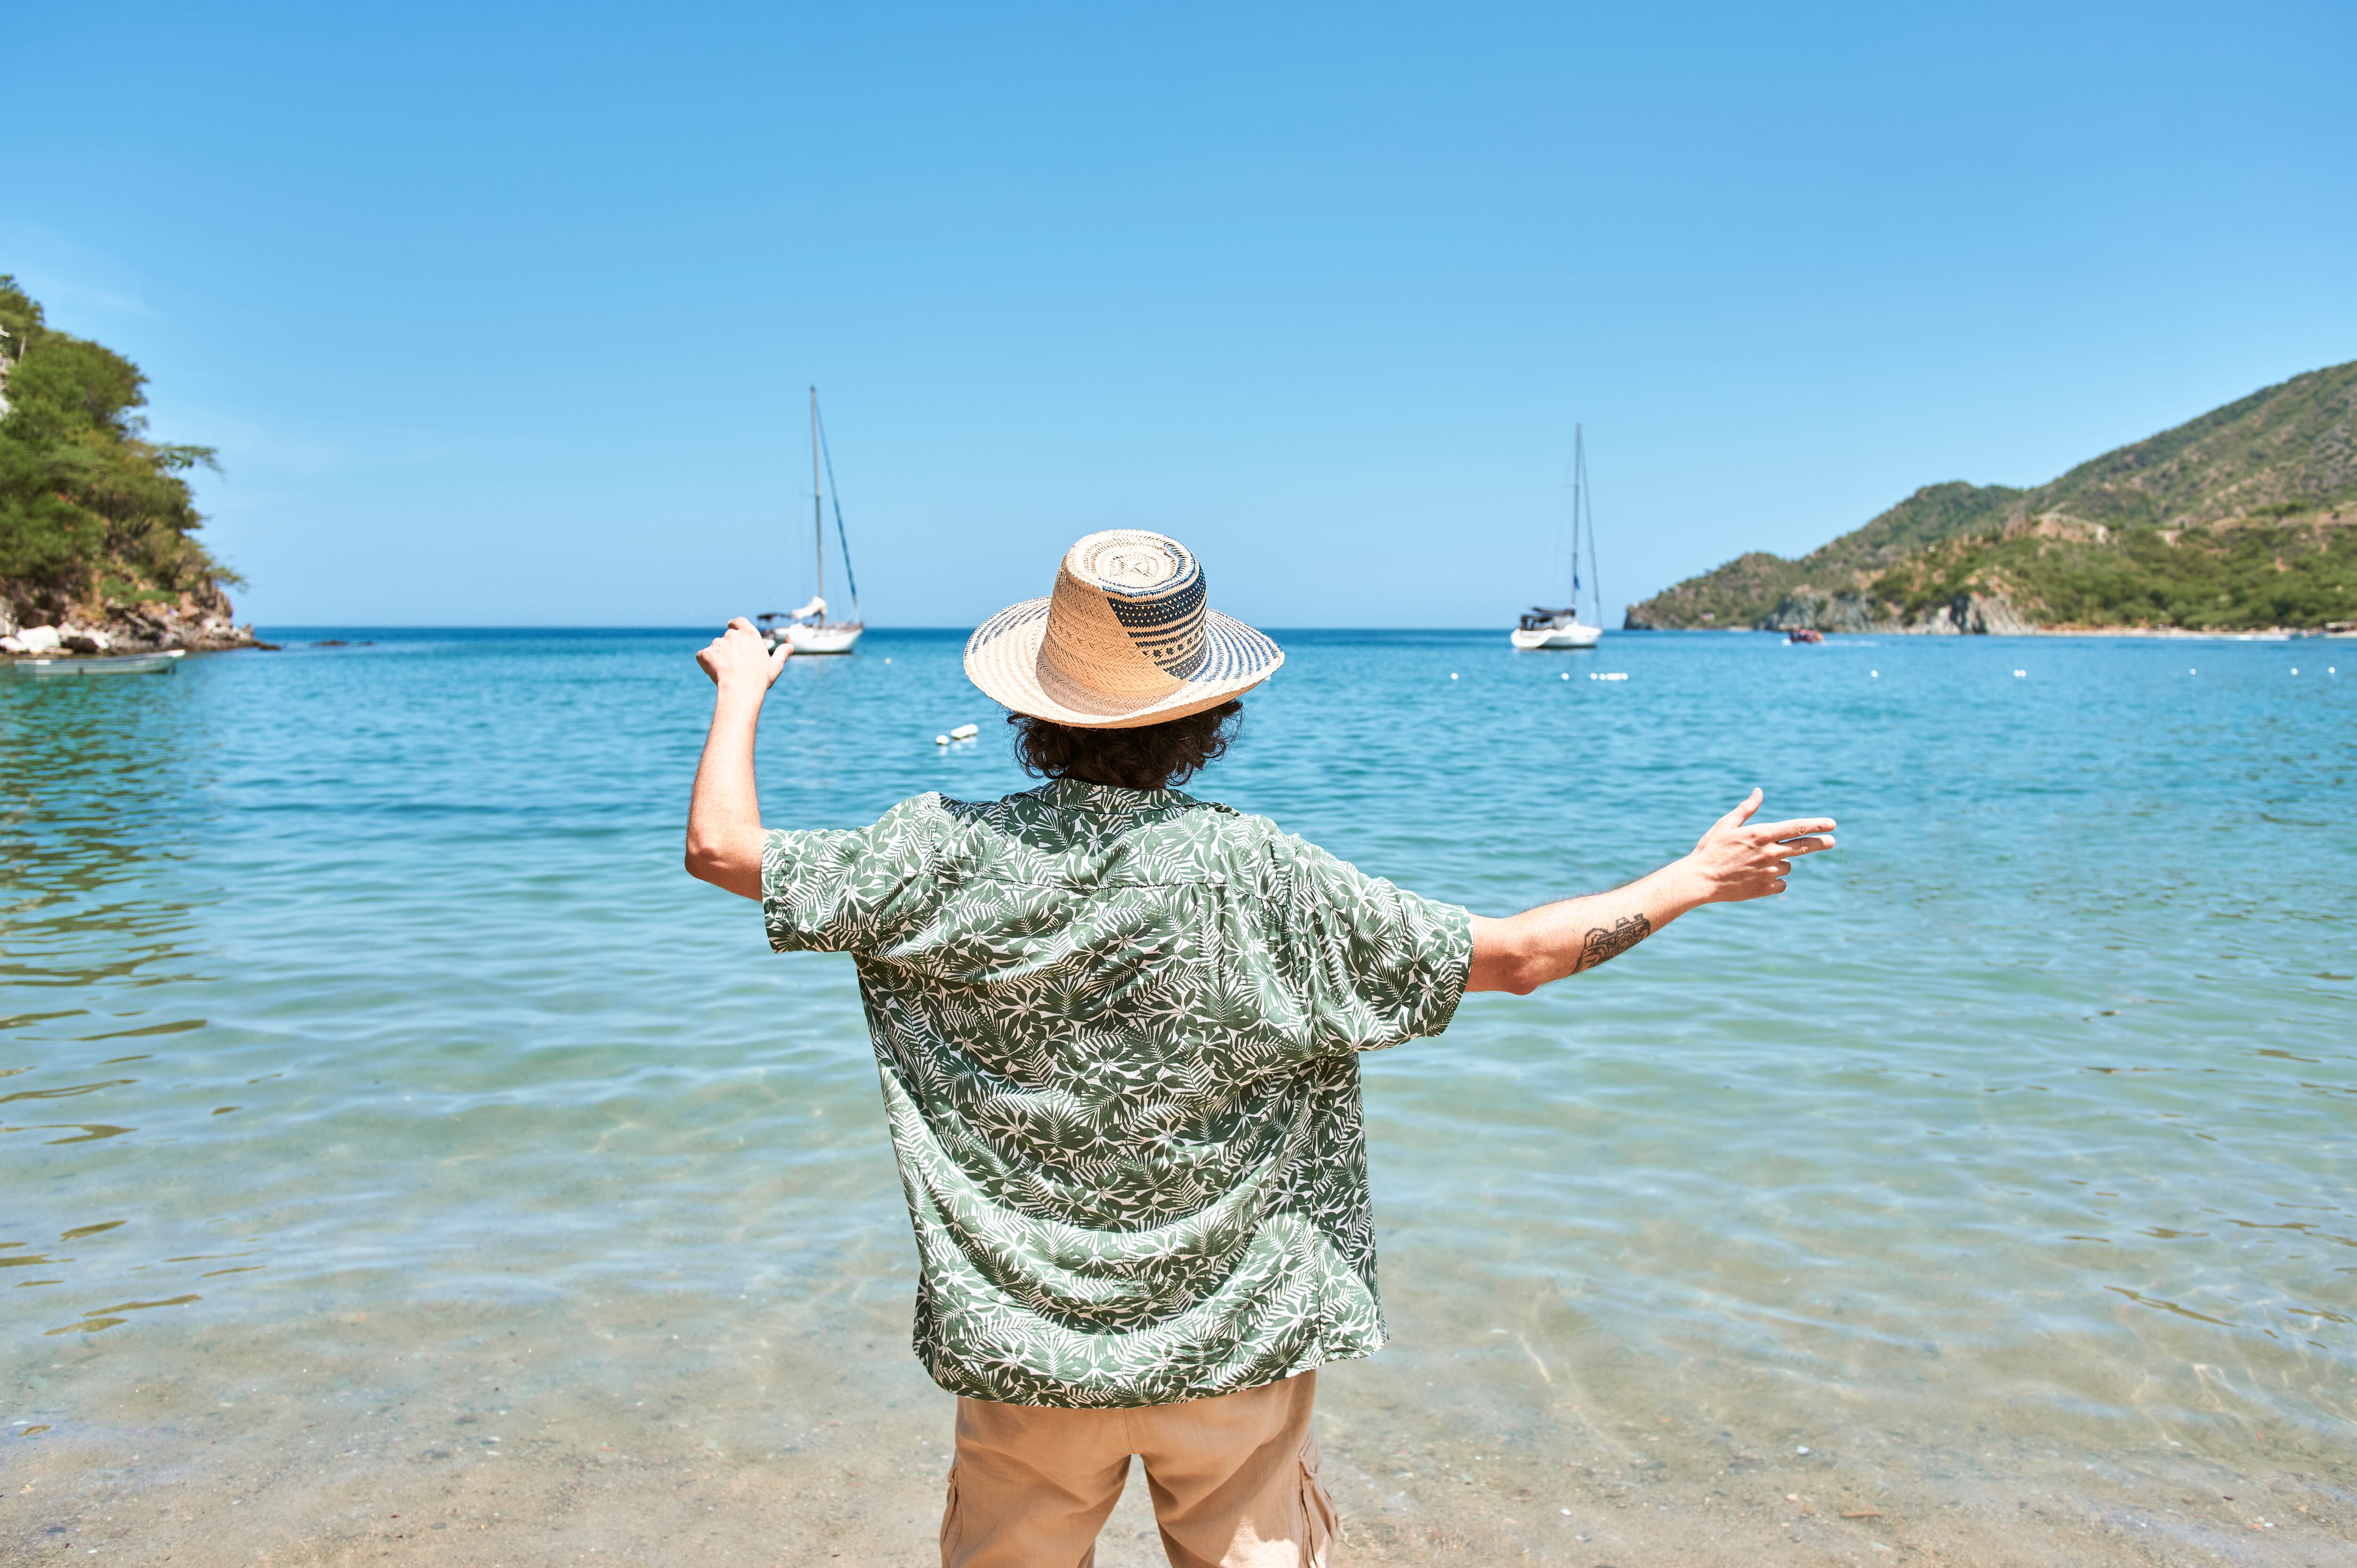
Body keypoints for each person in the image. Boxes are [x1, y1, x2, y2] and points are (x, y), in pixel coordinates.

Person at [684, 530, 1835, 1568]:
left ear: (1034, 703)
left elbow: (723, 848)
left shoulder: (932, 856)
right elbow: (1520, 955)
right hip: (1237, 1342)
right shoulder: (1266, 878)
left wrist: (743, 688)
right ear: (1205, 715)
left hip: (1022, 1353)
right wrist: (1695, 878)